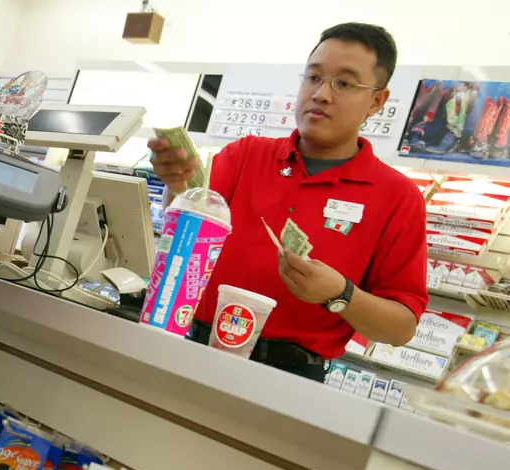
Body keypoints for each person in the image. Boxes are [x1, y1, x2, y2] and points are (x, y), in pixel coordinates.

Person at [149, 23, 428, 381]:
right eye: (313, 78)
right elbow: (186, 230)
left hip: (291, 377)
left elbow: (400, 328)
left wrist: (339, 295)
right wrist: (176, 184)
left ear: (377, 100)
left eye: (344, 83)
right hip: (193, 350)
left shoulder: (398, 196)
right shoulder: (245, 155)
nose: (321, 94)